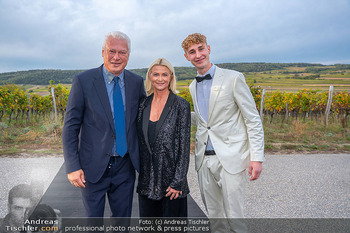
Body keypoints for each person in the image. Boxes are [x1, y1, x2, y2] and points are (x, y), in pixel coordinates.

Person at [181, 33, 264, 232]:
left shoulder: (233, 78)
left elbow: (252, 119)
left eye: (201, 49)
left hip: (231, 158)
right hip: (204, 160)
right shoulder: (193, 86)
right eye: (192, 52)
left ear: (209, 49)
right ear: (187, 57)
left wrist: (257, 158)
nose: (198, 54)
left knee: (235, 217)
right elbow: (205, 122)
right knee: (214, 217)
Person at [62, 31, 146, 218]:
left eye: (122, 52)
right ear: (103, 52)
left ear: (128, 55)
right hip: (92, 167)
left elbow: (143, 123)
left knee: (122, 222)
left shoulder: (136, 82)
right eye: (111, 51)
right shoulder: (83, 81)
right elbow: (70, 127)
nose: (116, 57)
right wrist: (72, 166)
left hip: (125, 166)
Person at [136, 58, 191, 217]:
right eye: (156, 74)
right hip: (147, 182)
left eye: (164, 75)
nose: (160, 79)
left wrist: (178, 181)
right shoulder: (142, 105)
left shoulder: (181, 105)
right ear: (150, 77)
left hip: (171, 185)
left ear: (171, 77)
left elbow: (184, 146)